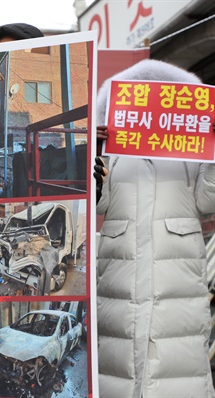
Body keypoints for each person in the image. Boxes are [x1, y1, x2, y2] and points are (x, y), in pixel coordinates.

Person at [95, 59, 215, 397]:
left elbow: (208, 202)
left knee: (178, 370)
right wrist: (91, 155)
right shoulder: (112, 148)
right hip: (119, 285)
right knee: (116, 371)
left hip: (177, 289)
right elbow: (95, 204)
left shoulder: (191, 148)